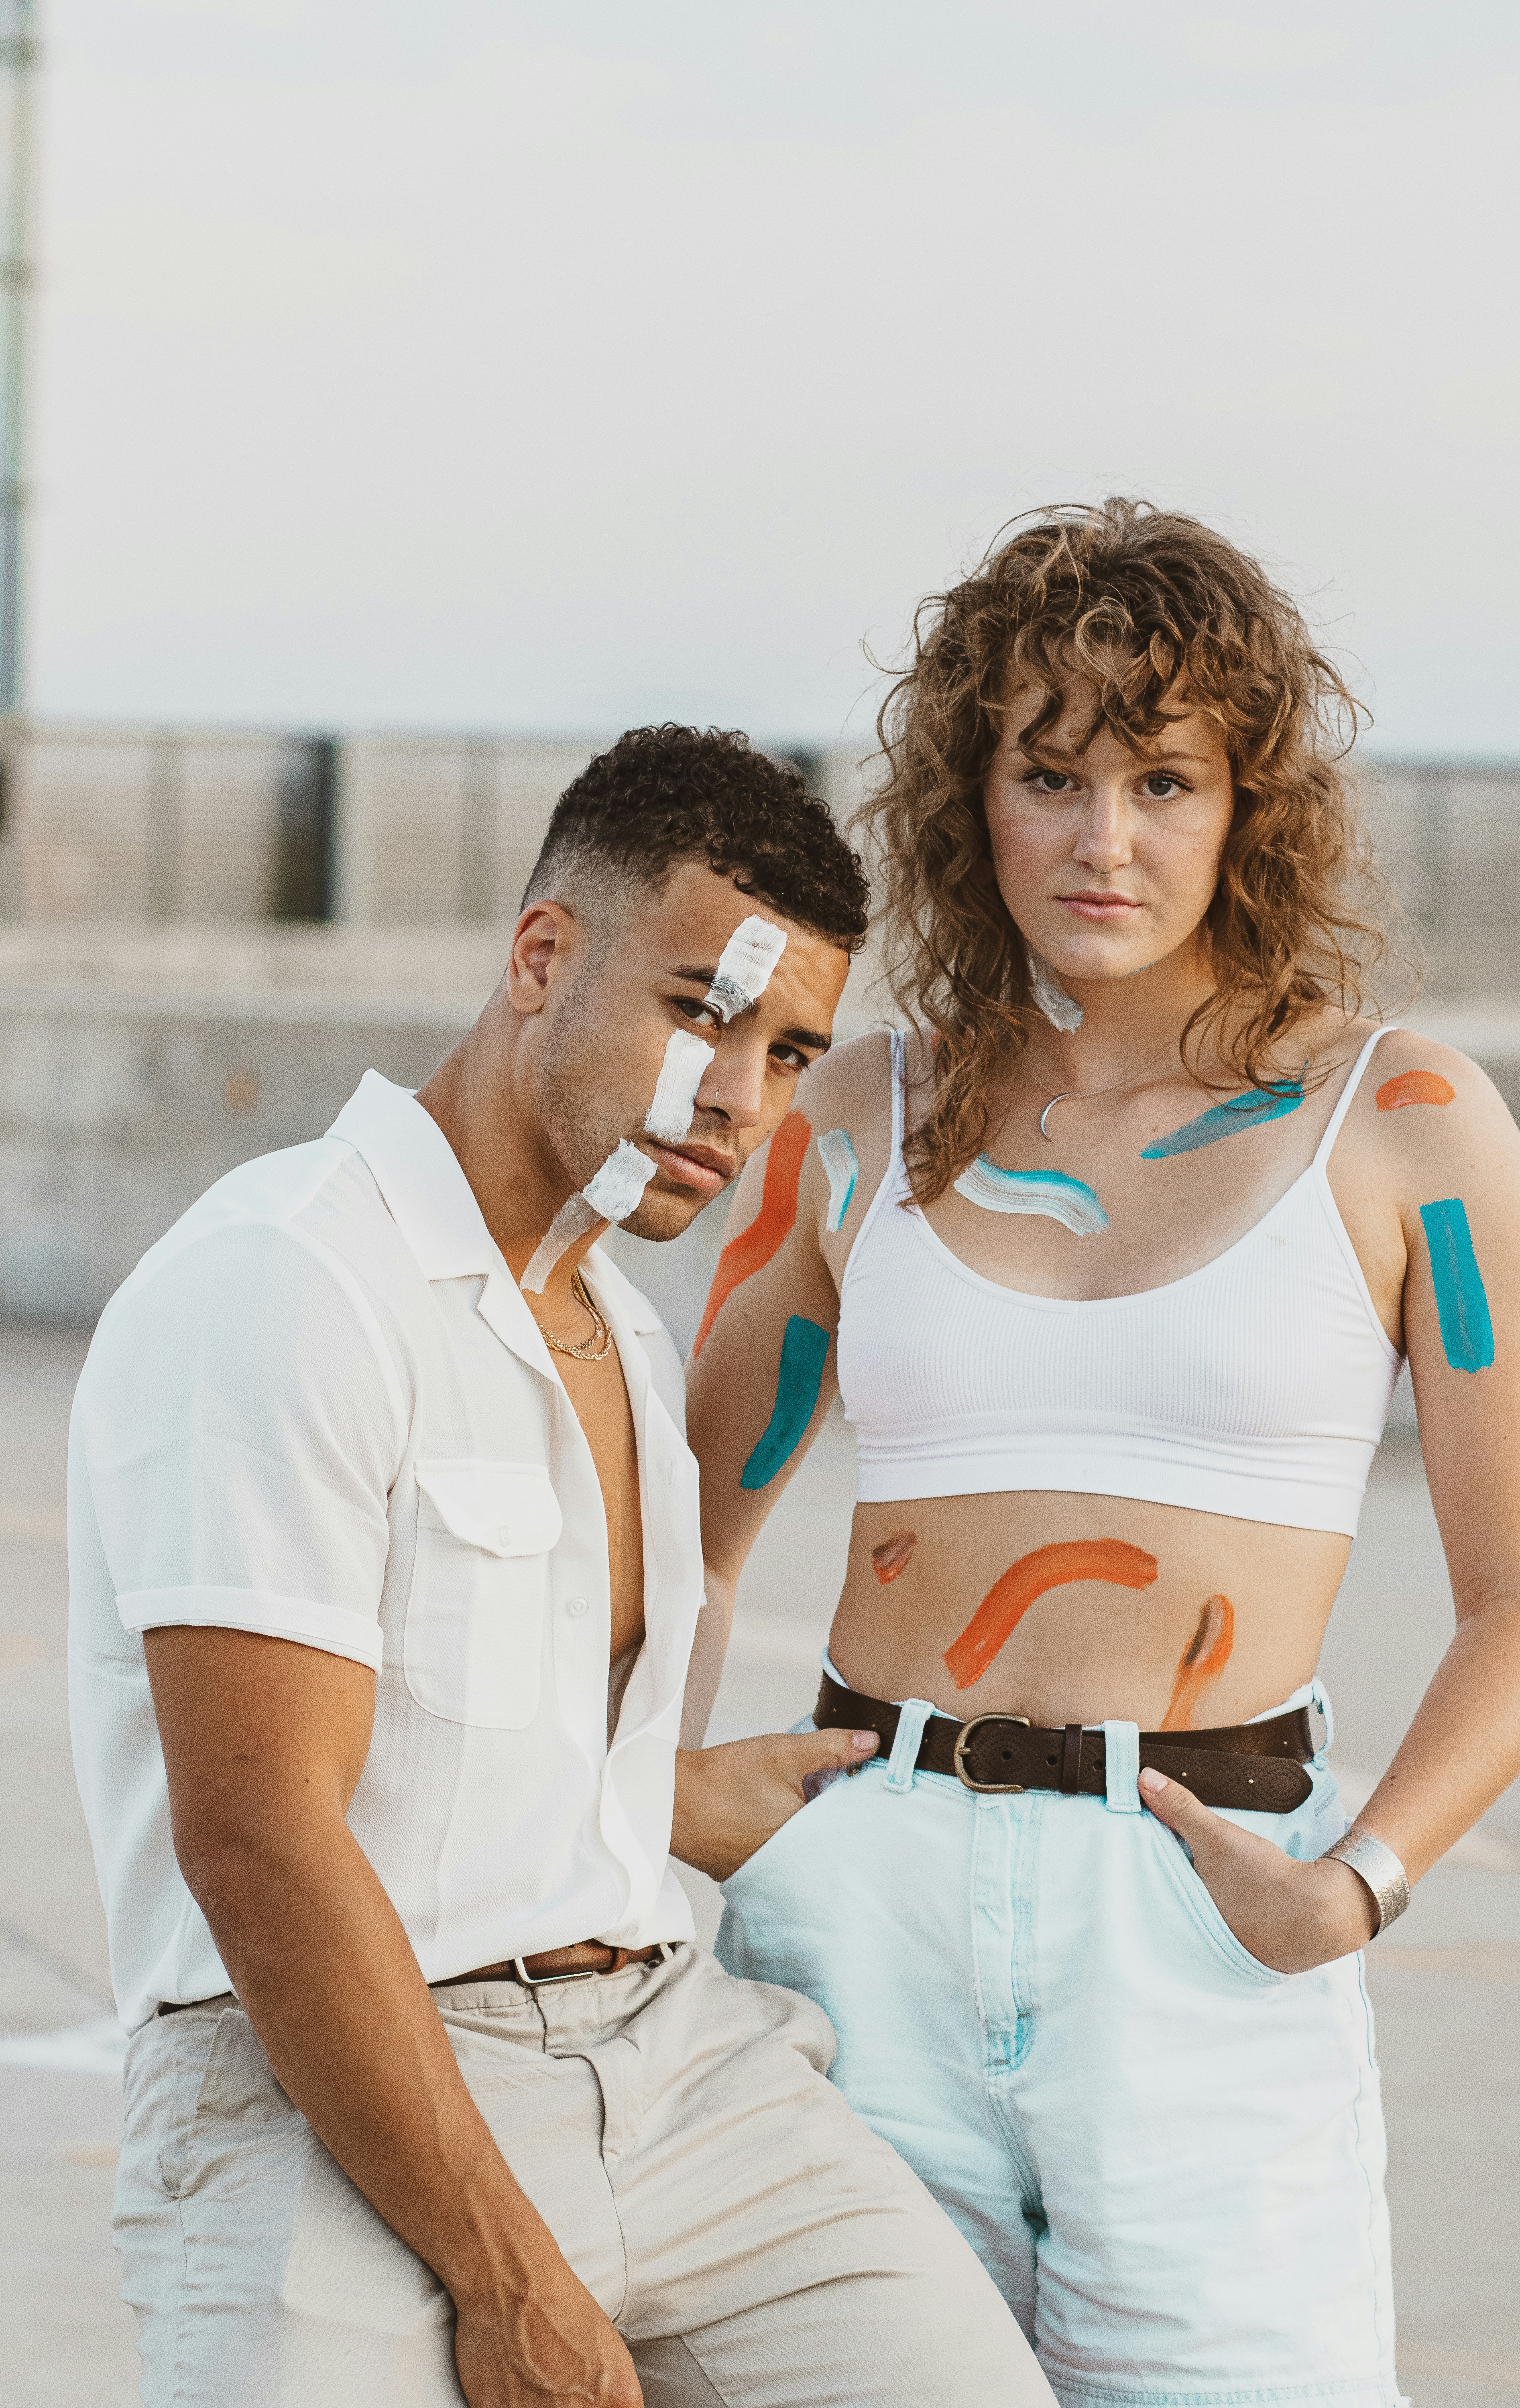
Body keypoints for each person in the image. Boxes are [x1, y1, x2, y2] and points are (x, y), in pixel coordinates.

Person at [68, 724, 1052, 2408]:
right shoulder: (286, 1281)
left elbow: (473, 1736)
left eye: (791, 1049)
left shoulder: (621, 1334)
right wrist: (502, 2273)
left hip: (668, 2059)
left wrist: (665, 1799)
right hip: (335, 2085)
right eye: (700, 1013)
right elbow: (264, 1841)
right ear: (541, 958)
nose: (740, 1096)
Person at [685, 504, 1520, 2408]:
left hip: (1208, 1917)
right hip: (857, 1899)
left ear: (1247, 804)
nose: (1102, 840)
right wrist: (662, 1791)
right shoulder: (856, 1116)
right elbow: (679, 1528)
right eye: (1045, 774)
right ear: (969, 797)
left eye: (1161, 777)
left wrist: (1356, 1885)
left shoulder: (1395, 1122)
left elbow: (1513, 1595)